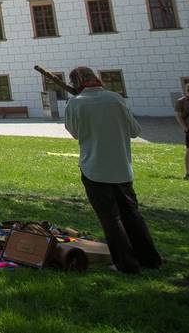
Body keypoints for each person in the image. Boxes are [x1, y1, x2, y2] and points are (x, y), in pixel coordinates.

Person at [64, 66, 162, 274]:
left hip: (94, 168)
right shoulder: (115, 99)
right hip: (121, 167)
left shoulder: (76, 103)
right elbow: (135, 130)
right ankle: (149, 258)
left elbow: (75, 133)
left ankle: (126, 264)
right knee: (132, 214)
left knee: (110, 218)